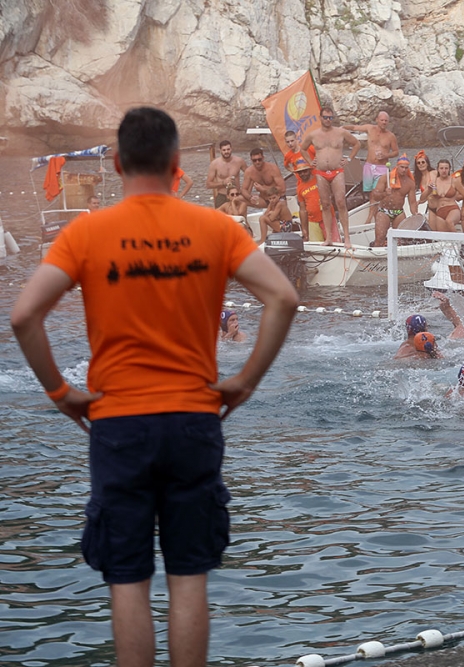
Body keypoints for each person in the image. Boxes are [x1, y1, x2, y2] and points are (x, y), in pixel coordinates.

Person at [9, 106, 298, 667]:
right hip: (193, 419)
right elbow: (282, 298)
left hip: (117, 423)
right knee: (188, 578)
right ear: (175, 164)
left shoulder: (86, 232)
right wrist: (243, 382)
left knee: (128, 579)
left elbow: (24, 317)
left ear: (118, 165)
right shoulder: (215, 228)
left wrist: (60, 392)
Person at [300, 107, 360, 248]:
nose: (328, 120)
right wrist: (310, 161)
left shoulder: (340, 132)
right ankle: (328, 238)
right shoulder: (313, 135)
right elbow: (302, 148)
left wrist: (349, 159)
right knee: (325, 204)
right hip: (321, 172)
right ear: (320, 118)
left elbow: (356, 143)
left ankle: (347, 238)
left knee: (341, 202)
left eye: (330, 118)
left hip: (337, 171)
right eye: (325, 117)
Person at [371, 155, 418, 246]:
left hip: (399, 212)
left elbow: (412, 202)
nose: (404, 170)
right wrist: (385, 193)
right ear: (397, 166)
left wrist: (415, 213)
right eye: (402, 167)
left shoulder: (410, 183)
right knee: (379, 238)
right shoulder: (385, 178)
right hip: (384, 211)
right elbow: (375, 196)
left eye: (406, 168)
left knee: (400, 241)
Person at [292, 159, 333, 243]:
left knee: (335, 242)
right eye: (300, 172)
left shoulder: (320, 178)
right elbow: (302, 210)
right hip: (312, 221)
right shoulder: (299, 188)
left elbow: (332, 192)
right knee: (316, 245)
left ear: (310, 170)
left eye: (305, 171)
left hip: (328, 217)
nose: (302, 174)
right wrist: (304, 230)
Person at [206, 139, 247, 208]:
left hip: (236, 195)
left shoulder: (239, 161)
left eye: (228, 149)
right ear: (220, 151)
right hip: (222, 196)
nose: (226, 152)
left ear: (231, 149)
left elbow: (250, 175)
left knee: (239, 214)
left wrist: (245, 190)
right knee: (219, 215)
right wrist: (223, 183)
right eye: (224, 150)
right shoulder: (214, 164)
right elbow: (208, 185)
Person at [425, 160, 462, 232]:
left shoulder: (454, 181)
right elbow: (423, 197)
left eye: (446, 168)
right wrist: (429, 190)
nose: (444, 171)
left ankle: (459, 239)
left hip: (452, 208)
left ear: (449, 169)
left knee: (449, 221)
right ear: (438, 169)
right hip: (440, 210)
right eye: (441, 168)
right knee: (442, 234)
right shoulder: (434, 182)